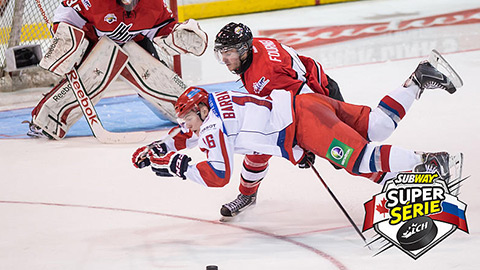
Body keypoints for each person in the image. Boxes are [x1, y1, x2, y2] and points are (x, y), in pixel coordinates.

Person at [131, 56, 461, 219]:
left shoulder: (214, 127)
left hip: (304, 125)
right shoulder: (219, 101)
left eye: (188, 116)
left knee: (359, 160)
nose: (186, 124)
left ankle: (428, 162)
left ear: (201, 110)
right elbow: (192, 133)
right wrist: (158, 147)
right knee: (376, 126)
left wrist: (176, 164)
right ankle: (418, 79)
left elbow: (218, 176)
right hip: (307, 103)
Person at [211, 22, 347, 218]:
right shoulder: (253, 49)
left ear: (243, 49)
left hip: (322, 102)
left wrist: (304, 145)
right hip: (305, 92)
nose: (224, 59)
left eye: (228, 52)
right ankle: (247, 196)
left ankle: (393, 179)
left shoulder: (268, 74)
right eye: (221, 52)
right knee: (257, 145)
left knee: (349, 157)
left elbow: (306, 103)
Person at [28, 0, 207, 139]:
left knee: (156, 75)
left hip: (135, 42)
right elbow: (68, 11)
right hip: (94, 43)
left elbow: (162, 27)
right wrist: (65, 34)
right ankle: (47, 120)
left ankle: (189, 111)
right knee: (89, 79)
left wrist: (176, 35)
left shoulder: (153, 4)